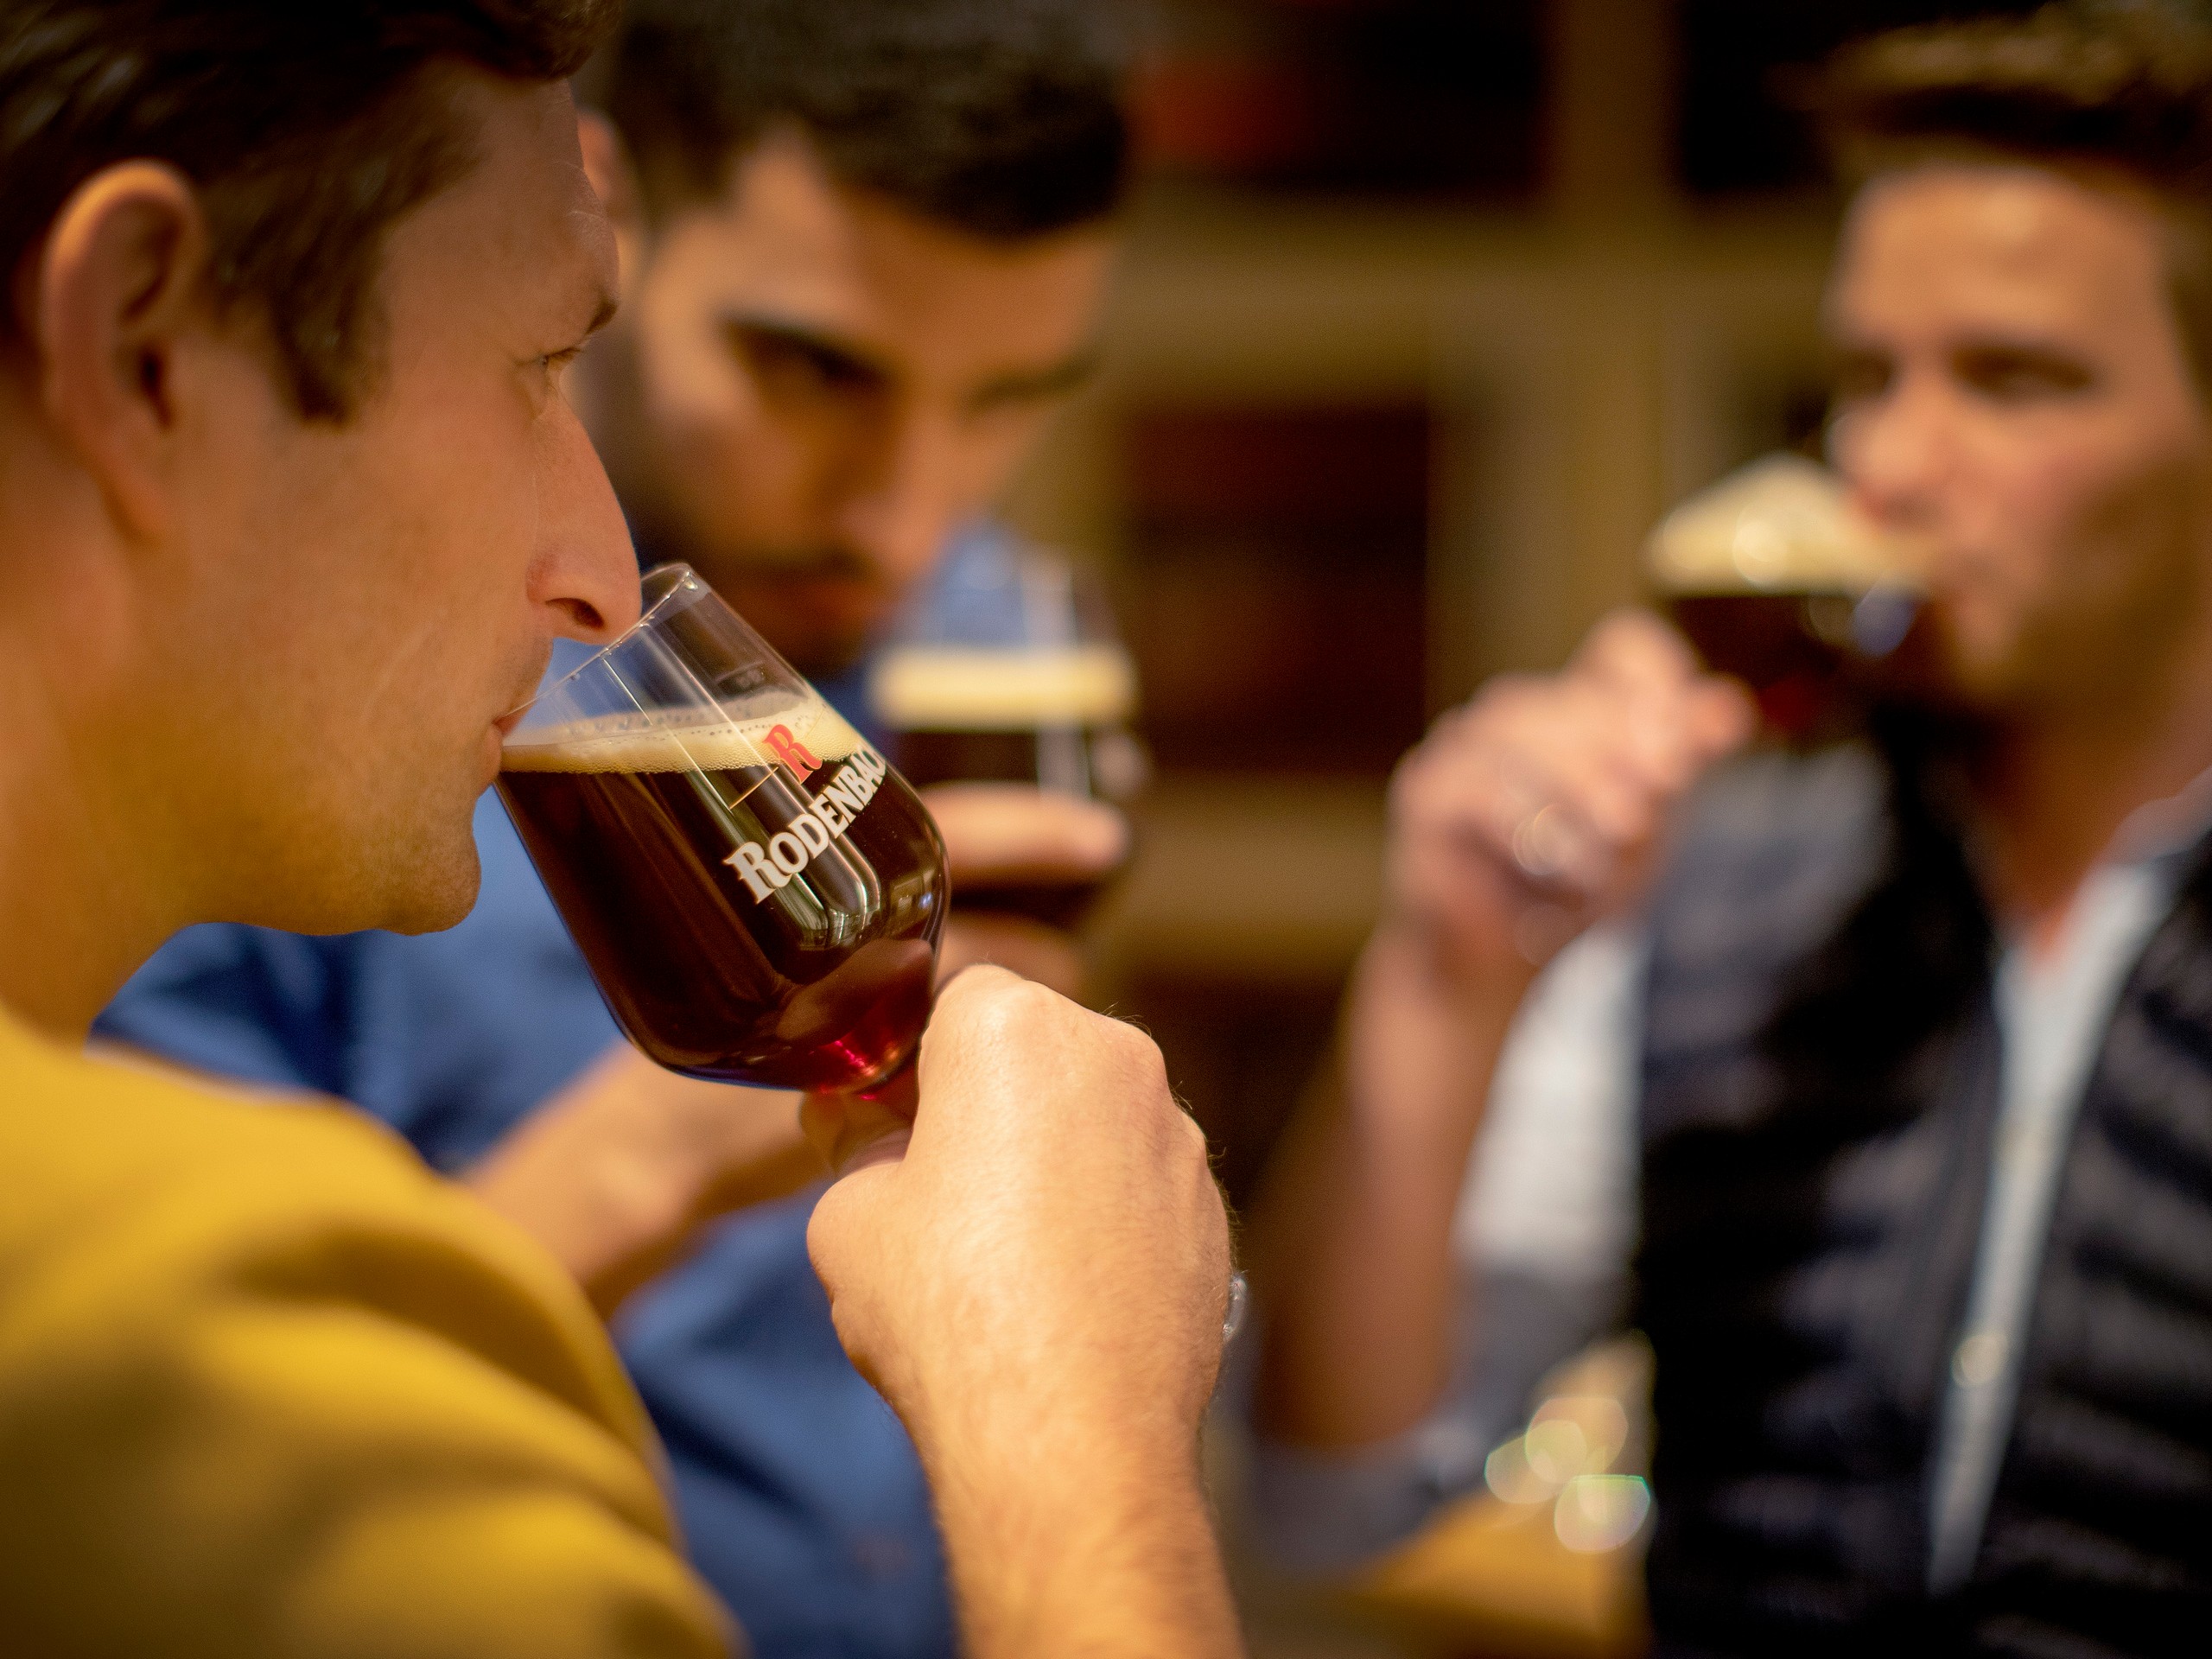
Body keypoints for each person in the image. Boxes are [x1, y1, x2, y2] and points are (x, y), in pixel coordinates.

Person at [0, 3, 1241, 1655]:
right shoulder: (187, 1316)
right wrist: (1072, 1428)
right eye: (536, 370)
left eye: (1008, 404)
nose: (602, 570)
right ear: (144, 345)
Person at [1248, 6, 2212, 1653]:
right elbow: (1336, 1493)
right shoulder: (1722, 877)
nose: (1886, 462)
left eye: (2015, 380)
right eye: (1865, 375)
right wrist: (1446, 981)